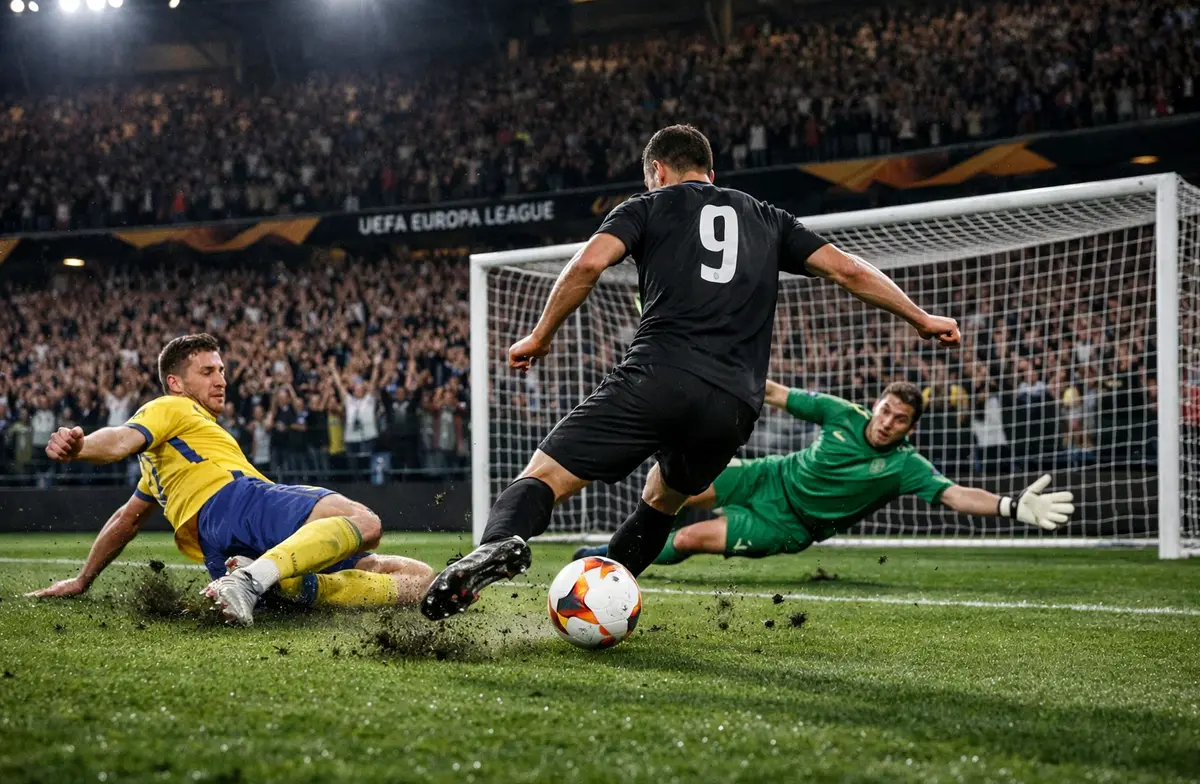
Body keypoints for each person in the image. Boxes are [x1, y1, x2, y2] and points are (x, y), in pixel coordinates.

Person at [421, 124, 960, 620]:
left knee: (547, 475)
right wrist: (921, 317)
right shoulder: (768, 216)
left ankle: (500, 543)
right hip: (734, 406)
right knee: (663, 497)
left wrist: (540, 336)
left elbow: (588, 263)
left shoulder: (647, 206)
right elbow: (845, 268)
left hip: (659, 376)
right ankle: (609, 595)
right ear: (710, 171)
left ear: (657, 171)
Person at [26, 334, 434, 625]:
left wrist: (83, 580)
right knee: (365, 523)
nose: (221, 380)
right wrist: (79, 446)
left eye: (221, 370)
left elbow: (126, 520)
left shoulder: (164, 465)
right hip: (237, 501)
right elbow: (118, 440)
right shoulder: (172, 408)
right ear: (176, 383)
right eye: (207, 372)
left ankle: (272, 581)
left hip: (216, 547)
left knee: (418, 580)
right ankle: (253, 579)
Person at [574, 380, 1074, 565]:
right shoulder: (841, 413)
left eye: (899, 420)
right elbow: (772, 392)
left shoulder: (905, 467)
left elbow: (955, 495)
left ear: (910, 428)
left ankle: (610, 564)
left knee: (689, 539)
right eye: (884, 411)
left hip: (789, 523)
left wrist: (1010, 505)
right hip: (769, 475)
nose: (887, 422)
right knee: (676, 489)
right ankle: (611, 554)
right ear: (875, 406)